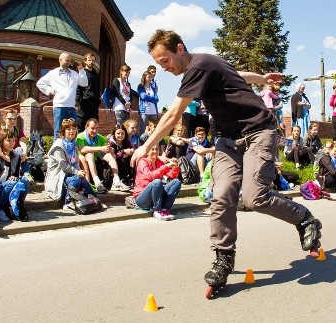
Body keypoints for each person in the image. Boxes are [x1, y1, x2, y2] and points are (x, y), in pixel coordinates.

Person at [133, 29, 323, 292]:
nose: (163, 67)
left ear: (179, 49)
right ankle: (224, 256)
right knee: (220, 194)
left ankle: (304, 219)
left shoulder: (198, 65)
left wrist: (146, 145)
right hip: (226, 138)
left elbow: (174, 114)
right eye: (158, 64)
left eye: (164, 60)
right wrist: (262, 78)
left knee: (254, 197)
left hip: (258, 131)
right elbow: (239, 76)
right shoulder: (206, 67)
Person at [44, 119, 98, 211]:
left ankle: (95, 199)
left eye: (74, 128)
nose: (72, 131)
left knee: (81, 178)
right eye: (68, 129)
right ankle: (67, 201)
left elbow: (75, 163)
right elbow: (63, 165)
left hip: (69, 176)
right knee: (77, 178)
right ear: (63, 131)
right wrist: (77, 172)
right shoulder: (58, 146)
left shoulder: (74, 144)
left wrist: (79, 172)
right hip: (58, 177)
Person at [36, 52, 87, 138]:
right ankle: (57, 150)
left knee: (73, 131)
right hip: (59, 106)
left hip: (71, 106)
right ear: (60, 60)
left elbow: (84, 83)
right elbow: (40, 83)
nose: (68, 62)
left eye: (70, 61)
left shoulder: (74, 73)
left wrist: (81, 70)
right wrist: (51, 91)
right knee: (59, 131)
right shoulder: (53, 73)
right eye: (66, 60)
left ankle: (70, 150)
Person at [0, 131, 30, 222]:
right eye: (9, 140)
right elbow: (1, 179)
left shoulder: (17, 156)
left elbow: (16, 175)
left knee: (25, 180)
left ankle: (19, 205)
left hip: (11, 186)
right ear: (2, 142)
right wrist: (7, 162)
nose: (12, 143)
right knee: (12, 182)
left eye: (13, 140)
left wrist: (15, 177)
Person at [76, 118, 129, 192]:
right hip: (83, 164)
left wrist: (110, 149)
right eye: (92, 128)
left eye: (97, 128)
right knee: (89, 154)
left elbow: (110, 148)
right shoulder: (80, 137)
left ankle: (116, 180)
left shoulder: (99, 137)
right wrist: (100, 148)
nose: (95, 131)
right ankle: (97, 182)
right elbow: (82, 149)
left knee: (110, 155)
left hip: (96, 163)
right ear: (86, 127)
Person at [132, 144, 181, 220]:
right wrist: (166, 166)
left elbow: (172, 176)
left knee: (176, 182)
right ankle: (157, 211)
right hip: (142, 198)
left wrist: (175, 167)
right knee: (157, 182)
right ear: (147, 152)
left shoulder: (159, 162)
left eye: (157, 149)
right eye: (152, 149)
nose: (155, 151)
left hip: (156, 195)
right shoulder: (142, 162)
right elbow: (150, 176)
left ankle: (165, 209)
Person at [75, 52, 101, 130]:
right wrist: (79, 100)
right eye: (89, 60)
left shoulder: (95, 74)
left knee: (93, 126)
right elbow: (78, 88)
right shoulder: (82, 73)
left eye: (93, 60)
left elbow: (97, 88)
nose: (91, 62)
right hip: (84, 104)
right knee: (82, 125)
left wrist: (98, 99)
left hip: (94, 105)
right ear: (85, 61)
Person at [137, 70, 159, 137]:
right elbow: (143, 96)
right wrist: (152, 99)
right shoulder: (141, 87)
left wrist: (149, 98)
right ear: (144, 78)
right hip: (144, 111)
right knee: (142, 130)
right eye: (148, 77)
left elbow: (157, 99)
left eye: (151, 77)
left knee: (154, 129)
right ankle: (141, 145)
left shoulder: (153, 88)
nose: (150, 79)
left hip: (153, 111)